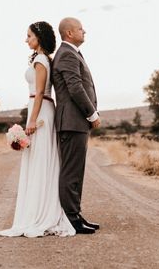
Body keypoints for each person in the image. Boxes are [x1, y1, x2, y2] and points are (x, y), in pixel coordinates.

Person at [0, 21, 76, 238]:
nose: (26, 39)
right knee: (38, 159)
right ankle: (37, 208)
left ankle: (39, 212)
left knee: (40, 158)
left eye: (29, 35)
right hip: (40, 108)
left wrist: (31, 121)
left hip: (40, 111)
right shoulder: (42, 59)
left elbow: (39, 92)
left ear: (39, 38)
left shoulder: (41, 60)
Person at [51, 17, 100, 235]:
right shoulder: (67, 54)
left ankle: (76, 214)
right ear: (69, 33)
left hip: (75, 122)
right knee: (71, 172)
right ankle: (71, 219)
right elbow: (76, 88)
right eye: (81, 28)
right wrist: (91, 114)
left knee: (76, 171)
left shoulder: (70, 53)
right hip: (72, 121)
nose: (85, 31)